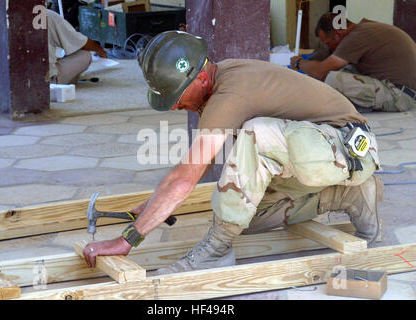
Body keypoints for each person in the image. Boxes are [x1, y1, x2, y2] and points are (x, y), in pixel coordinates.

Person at [82, 31, 383, 275]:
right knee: (242, 219)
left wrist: (127, 240)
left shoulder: (229, 93)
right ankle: (344, 196)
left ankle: (214, 252)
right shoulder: (217, 81)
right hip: (319, 154)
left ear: (199, 79)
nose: (174, 106)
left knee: (257, 134)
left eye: (175, 97)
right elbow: (194, 167)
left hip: (349, 147)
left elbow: (185, 177)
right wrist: (154, 206)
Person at [290, 13, 416, 113]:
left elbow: (320, 72)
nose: (328, 47)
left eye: (328, 43)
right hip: (400, 89)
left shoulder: (357, 37)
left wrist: (299, 63)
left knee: (333, 79)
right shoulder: (364, 29)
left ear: (338, 35)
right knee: (344, 69)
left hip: (401, 97)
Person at [47, 9, 107, 84]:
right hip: (45, 81)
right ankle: (59, 81)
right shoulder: (48, 15)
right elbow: (81, 42)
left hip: (28, 79)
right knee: (85, 55)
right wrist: (100, 50)